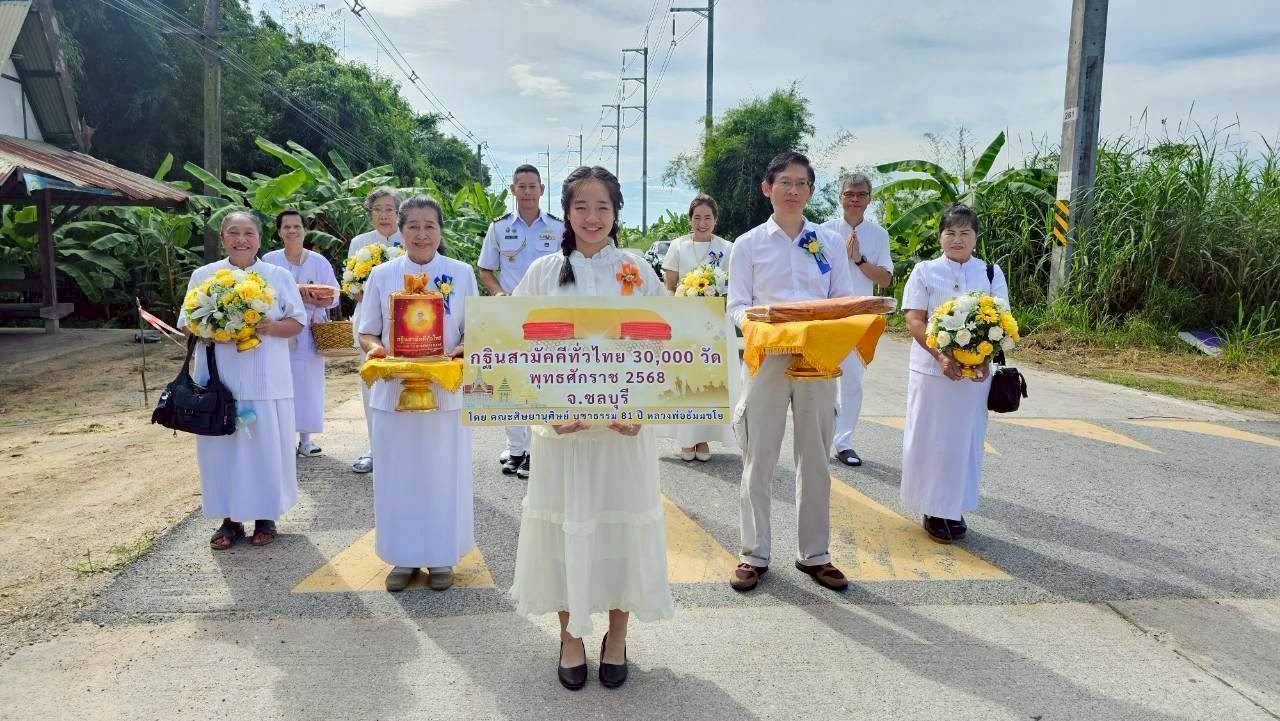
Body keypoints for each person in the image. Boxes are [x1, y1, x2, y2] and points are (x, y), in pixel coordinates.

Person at [510, 166, 673, 691]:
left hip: (624, 436)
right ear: (567, 211)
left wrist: (643, 410)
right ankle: (571, 637)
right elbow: (513, 350)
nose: (592, 217)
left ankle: (617, 636)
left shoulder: (638, 270)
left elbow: (671, 347)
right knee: (565, 531)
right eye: (581, 206)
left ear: (616, 212)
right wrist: (547, 413)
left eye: (603, 207)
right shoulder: (541, 272)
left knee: (620, 528)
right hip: (563, 438)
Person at [725, 151, 856, 593]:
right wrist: (761, 325)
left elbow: (843, 299)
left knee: (816, 456)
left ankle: (815, 554)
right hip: (768, 356)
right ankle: (753, 554)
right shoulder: (747, 244)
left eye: (802, 183)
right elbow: (737, 306)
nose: (793, 190)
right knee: (758, 455)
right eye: (785, 182)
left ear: (812, 191)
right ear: (768, 188)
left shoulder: (829, 242)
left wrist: (825, 327)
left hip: (819, 357)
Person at [355, 195, 477, 592]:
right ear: (401, 231)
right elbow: (368, 329)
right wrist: (377, 350)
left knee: (444, 473)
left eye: (429, 226)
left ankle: (442, 555)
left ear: (440, 230)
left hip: (445, 392)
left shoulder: (461, 273)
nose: (421, 234)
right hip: (393, 392)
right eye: (413, 227)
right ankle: (403, 557)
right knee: (398, 475)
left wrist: (457, 351)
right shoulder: (381, 274)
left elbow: (473, 329)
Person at [177, 210, 307, 549]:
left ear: (260, 239)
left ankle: (266, 517)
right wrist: (212, 330)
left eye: (248, 232)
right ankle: (229, 521)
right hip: (219, 383)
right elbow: (186, 323)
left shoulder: (278, 276)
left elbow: (297, 322)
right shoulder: (205, 275)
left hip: (267, 380)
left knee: (265, 450)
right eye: (233, 232)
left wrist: (270, 327)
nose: (241, 239)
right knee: (224, 451)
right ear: (223, 239)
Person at [900, 203, 1008, 543]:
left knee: (965, 441)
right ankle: (933, 508)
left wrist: (983, 360)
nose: (957, 239)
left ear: (976, 237)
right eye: (950, 232)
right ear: (940, 237)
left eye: (965, 233)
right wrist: (941, 356)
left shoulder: (990, 272)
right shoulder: (924, 271)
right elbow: (914, 319)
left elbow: (1001, 320)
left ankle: (954, 506)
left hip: (974, 375)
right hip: (932, 372)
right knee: (932, 439)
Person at [477, 164, 564, 480]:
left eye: (533, 186)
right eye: (521, 186)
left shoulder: (558, 227)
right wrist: (499, 293)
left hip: (547, 316)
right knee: (510, 380)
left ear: (542, 190)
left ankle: (537, 450)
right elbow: (486, 269)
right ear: (512, 190)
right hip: (511, 314)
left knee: (542, 380)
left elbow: (570, 267)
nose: (527, 192)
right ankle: (516, 449)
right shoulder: (498, 228)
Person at [820, 174, 893, 468]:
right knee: (821, 382)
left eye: (861, 194)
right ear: (840, 197)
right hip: (826, 317)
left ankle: (844, 442)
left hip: (859, 318)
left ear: (869, 199)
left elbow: (886, 280)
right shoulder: (823, 231)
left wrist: (860, 260)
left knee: (853, 382)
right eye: (849, 194)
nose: (854, 199)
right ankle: (820, 440)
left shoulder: (878, 235)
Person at [660, 193, 736, 461]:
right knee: (687, 378)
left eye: (707, 217)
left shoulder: (727, 248)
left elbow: (733, 288)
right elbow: (669, 287)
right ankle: (685, 438)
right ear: (690, 219)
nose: (702, 223)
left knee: (711, 380)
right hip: (685, 323)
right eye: (697, 217)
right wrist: (679, 310)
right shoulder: (677, 247)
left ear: (715, 220)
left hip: (715, 323)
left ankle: (703, 437)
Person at [262, 209, 340, 457]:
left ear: (305, 231)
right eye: (287, 227)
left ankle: (306, 440)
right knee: (277, 382)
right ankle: (283, 439)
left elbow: (335, 296)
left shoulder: (319, 262)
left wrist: (317, 300)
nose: (292, 231)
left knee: (308, 385)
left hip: (309, 332)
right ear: (279, 232)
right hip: (277, 330)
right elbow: (259, 292)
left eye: (297, 226)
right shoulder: (269, 260)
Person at [347, 187, 403, 475]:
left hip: (406, 322)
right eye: (378, 209)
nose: (384, 215)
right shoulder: (360, 242)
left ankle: (403, 445)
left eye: (390, 209)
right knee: (371, 384)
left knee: (404, 380)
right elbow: (351, 282)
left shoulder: (409, 239)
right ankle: (375, 447)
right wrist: (360, 291)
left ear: (398, 212)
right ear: (370, 213)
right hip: (368, 324)